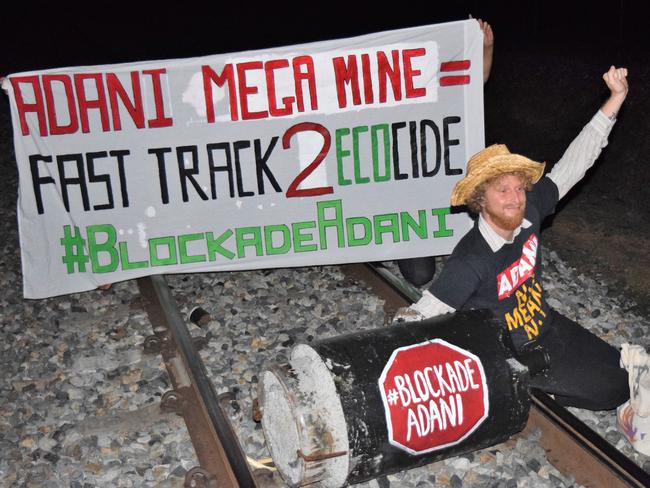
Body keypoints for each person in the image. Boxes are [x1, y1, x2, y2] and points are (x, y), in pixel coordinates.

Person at [395, 66, 630, 411]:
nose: (515, 198)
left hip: (544, 323)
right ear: (480, 200)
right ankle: (511, 383)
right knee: (613, 392)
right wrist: (401, 332)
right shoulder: (471, 259)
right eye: (502, 190)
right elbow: (426, 311)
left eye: (519, 188)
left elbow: (574, 163)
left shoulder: (530, 210)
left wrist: (615, 99)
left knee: (621, 370)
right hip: (513, 351)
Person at [397, 17, 494, 286]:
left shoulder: (444, 95)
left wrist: (486, 48)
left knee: (473, 263)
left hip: (446, 198)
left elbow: (476, 81)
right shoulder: (393, 106)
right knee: (419, 276)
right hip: (409, 205)